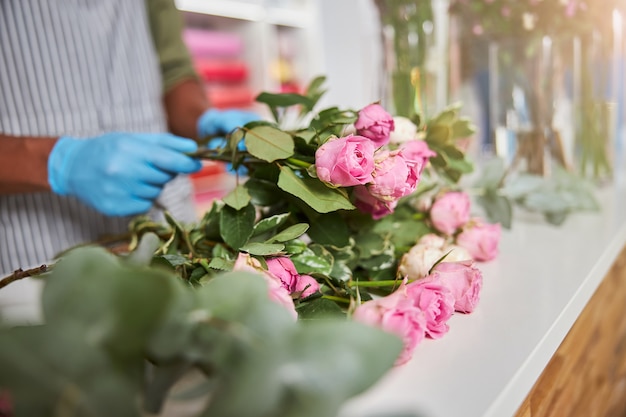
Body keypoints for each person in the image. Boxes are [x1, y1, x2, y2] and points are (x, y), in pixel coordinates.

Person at [0, 0, 258, 274]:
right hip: (33, 242)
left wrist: (202, 119)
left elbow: (173, 73)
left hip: (167, 235)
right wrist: (60, 163)